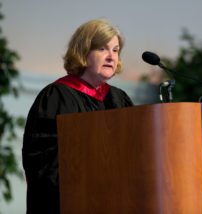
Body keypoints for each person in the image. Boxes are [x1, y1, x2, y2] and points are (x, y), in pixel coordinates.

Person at [22, 19, 134, 214]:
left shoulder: (119, 99)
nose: (111, 57)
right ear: (83, 52)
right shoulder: (56, 97)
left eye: (115, 50)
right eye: (102, 49)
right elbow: (44, 164)